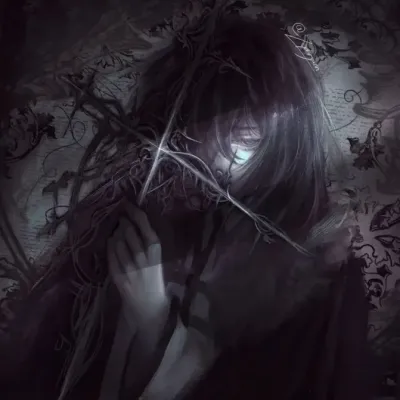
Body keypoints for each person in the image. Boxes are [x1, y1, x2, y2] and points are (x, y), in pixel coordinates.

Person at [2, 10, 373, 400]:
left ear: (285, 141)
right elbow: (58, 360)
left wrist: (153, 319)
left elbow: (265, 383)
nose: (218, 160)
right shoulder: (142, 210)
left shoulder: (319, 271)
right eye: (197, 138)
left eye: (244, 138)